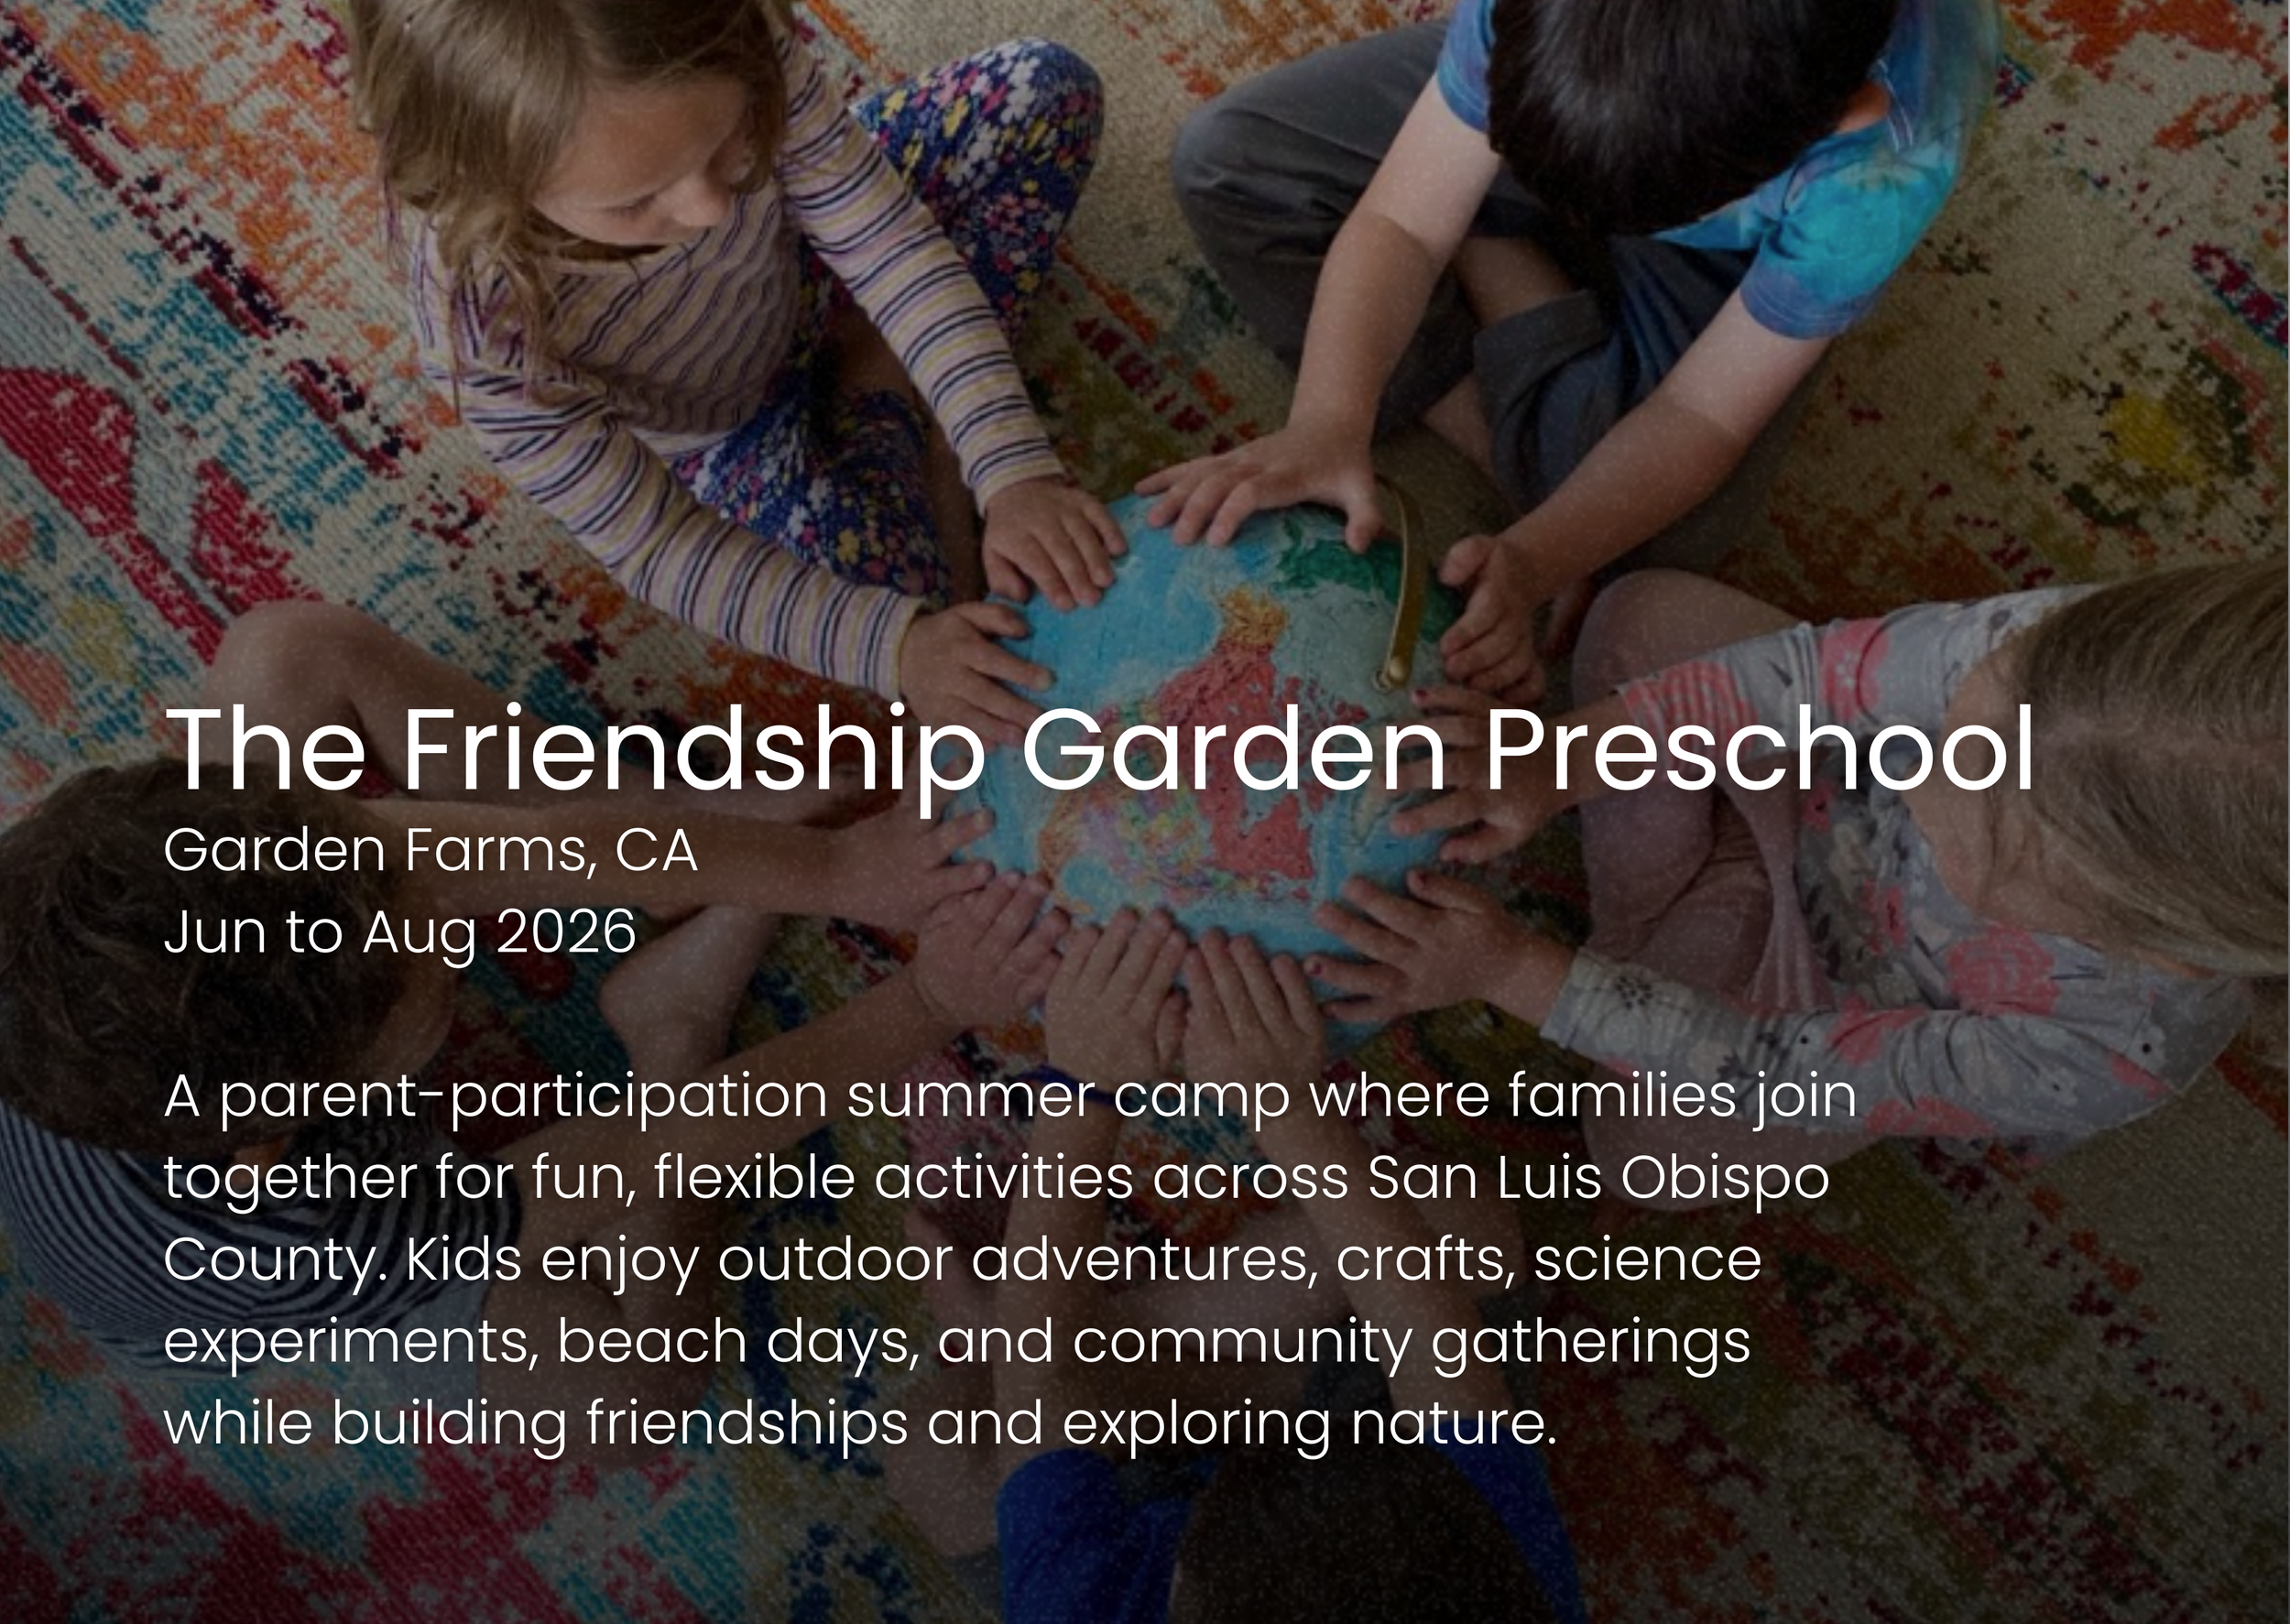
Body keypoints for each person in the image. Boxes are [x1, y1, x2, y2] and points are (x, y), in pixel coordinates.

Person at [0, 601, 1068, 1465]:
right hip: (241, 1259)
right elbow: (656, 1146)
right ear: (310, 1114)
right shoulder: (331, 1229)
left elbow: (555, 845)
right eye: (432, 951)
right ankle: (670, 1024)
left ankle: (664, 845)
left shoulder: (273, 859)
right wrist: (930, 1001)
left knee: (290, 654)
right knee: (637, 1392)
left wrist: (835, 871)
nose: (459, 906)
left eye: (412, 872)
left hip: (210, 1072)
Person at [1309, 561, 2286, 1204]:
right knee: (1641, 616)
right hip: (1808, 774)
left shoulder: (2106, 1051)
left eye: (1973, 840)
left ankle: (1657, 928)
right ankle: (1661, 921)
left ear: (2138, 942)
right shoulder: (2070, 653)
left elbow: (1780, 1072)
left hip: (1832, 999)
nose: (1921, 781)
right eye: (1958, 725)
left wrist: (1513, 970)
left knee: (1647, 1155)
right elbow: (1811, 676)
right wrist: (1564, 760)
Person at [1147, 0, 1997, 700]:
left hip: (1713, 230)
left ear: (1847, 112)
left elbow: (1703, 414)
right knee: (1229, 161)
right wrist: (1327, 421)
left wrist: (1535, 556)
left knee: (1652, 552)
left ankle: (1482, 236)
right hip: (1561, 102)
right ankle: (1485, 235)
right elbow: (1400, 221)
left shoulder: (1886, 161)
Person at [346, 0, 1121, 740]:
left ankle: (906, 398)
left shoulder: (723, 35)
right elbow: (659, 547)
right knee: (907, 613)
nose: (710, 207)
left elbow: (889, 245)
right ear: (493, 186)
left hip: (809, 258)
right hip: (734, 433)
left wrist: (1013, 466)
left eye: (727, 140)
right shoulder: (482, 329)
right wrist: (900, 647)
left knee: (1044, 91)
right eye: (636, 202)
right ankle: (891, 389)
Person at [890, 918, 1584, 1622]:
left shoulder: (1079, 1607)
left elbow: (1043, 1383)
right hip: (1364, 1446)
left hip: (1199, 1490)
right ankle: (1158, 1363)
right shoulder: (1486, 1575)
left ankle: (1082, 1342)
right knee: (1458, 1221)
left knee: (932, 1446)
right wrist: (1282, 1101)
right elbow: (1437, 1351)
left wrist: (1084, 1084)